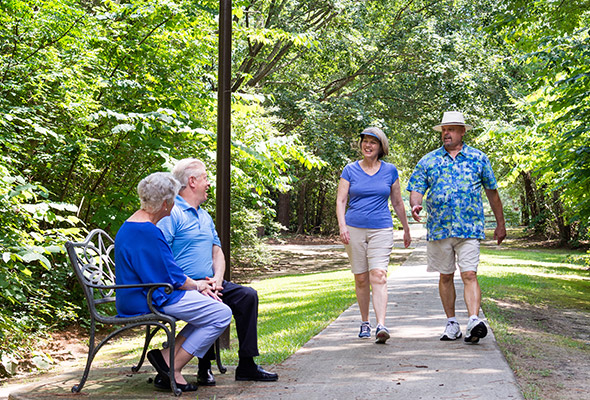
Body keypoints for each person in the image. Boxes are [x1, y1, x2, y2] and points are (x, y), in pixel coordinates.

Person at [157, 158, 279, 384]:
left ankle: (247, 365)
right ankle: (204, 368)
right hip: (183, 286)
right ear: (192, 181)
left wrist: (217, 278)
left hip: (209, 281)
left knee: (247, 296)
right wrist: (195, 284)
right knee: (214, 304)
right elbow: (161, 256)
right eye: (205, 178)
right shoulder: (172, 213)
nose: (209, 183)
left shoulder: (204, 215)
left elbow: (217, 252)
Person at [114, 172, 232, 392]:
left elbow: (164, 271)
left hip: (139, 293)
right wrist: (199, 285)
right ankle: (173, 368)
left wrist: (198, 287)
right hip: (146, 298)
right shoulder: (147, 231)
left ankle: (165, 357)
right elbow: (170, 275)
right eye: (174, 199)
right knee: (221, 314)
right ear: (167, 204)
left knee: (208, 311)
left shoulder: (133, 224)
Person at [407, 111, 506, 343]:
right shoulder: (429, 160)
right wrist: (415, 204)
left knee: (469, 273)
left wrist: (500, 223)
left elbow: (492, 192)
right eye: (443, 129)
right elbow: (416, 187)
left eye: (451, 129)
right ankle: (451, 323)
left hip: (469, 227)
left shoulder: (478, 158)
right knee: (445, 275)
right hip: (440, 228)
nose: (446, 133)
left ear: (463, 131)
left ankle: (473, 320)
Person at [336, 127, 412, 344]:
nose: (367, 145)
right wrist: (342, 226)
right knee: (361, 277)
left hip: (381, 228)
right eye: (365, 141)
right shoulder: (350, 170)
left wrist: (406, 228)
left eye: (373, 142)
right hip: (354, 228)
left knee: (378, 275)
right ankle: (365, 321)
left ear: (381, 147)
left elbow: (397, 202)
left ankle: (381, 325)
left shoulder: (390, 171)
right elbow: (341, 201)